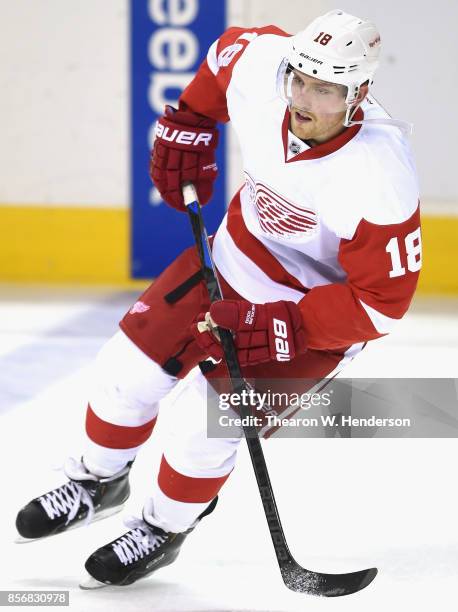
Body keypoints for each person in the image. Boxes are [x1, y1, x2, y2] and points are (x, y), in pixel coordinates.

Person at [16, 9, 421, 588]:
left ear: (359, 93)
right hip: (231, 258)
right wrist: (189, 122)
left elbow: (381, 303)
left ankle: (162, 529)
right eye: (299, 79)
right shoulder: (265, 67)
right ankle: (96, 480)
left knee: (203, 429)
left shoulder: (380, 175)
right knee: (124, 371)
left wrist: (288, 326)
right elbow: (227, 56)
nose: (303, 98)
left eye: (326, 89)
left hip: (307, 312)